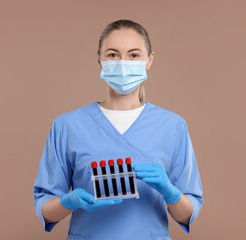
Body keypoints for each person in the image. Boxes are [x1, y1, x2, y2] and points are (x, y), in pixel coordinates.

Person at [33, 19, 204, 240]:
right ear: (99, 60)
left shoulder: (173, 126)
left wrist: (170, 192)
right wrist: (69, 201)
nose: (123, 63)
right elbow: (44, 207)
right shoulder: (67, 126)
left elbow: (187, 214)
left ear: (149, 60)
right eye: (113, 55)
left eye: (134, 55)